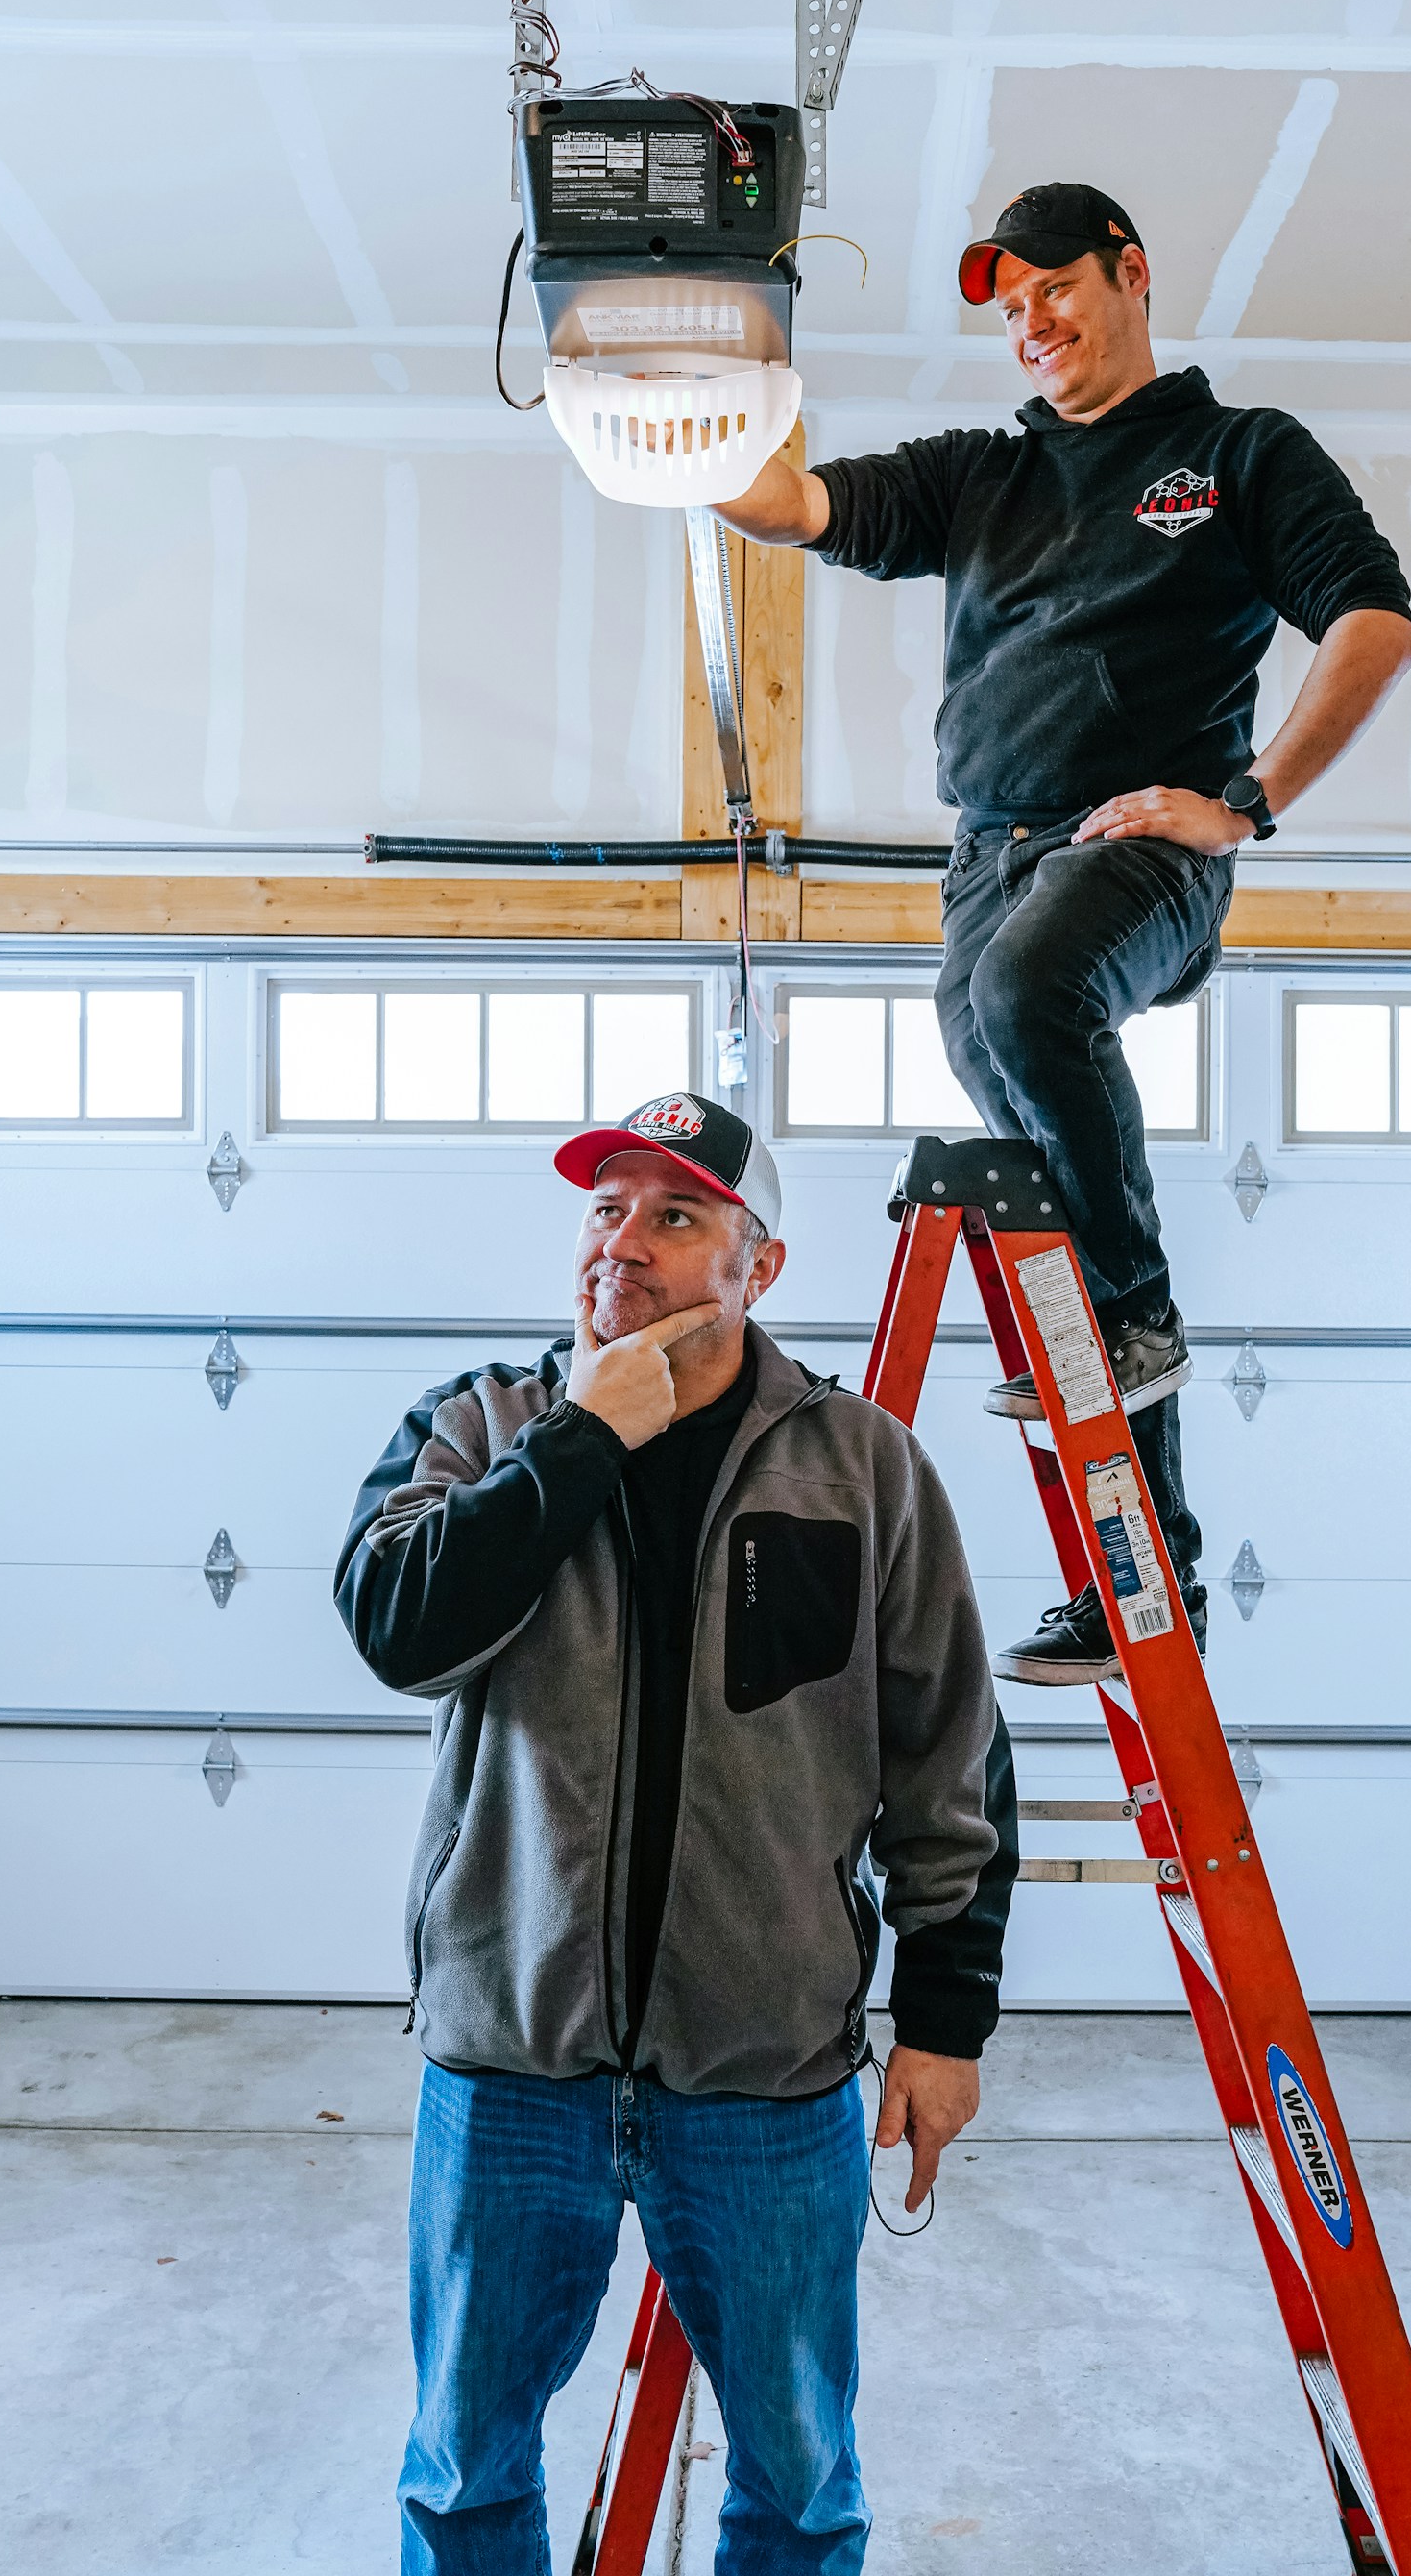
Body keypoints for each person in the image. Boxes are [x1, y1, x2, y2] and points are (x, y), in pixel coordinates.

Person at [718, 181, 1411, 1683]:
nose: (1031, 321)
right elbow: (787, 505)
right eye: (1008, 304)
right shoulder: (982, 474)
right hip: (988, 865)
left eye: (1054, 288)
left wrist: (1246, 802)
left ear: (1131, 274)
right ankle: (1140, 1574)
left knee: (1036, 1000)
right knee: (1006, 1075)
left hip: (1135, 850)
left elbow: (1374, 622)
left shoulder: (1236, 453)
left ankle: (1144, 1313)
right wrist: (704, 403)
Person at [334, 1089, 1016, 2576]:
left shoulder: (863, 1467)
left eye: (676, 1216)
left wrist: (944, 2025)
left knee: (798, 2482)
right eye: (606, 1207)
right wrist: (579, 1441)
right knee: (466, 2477)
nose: (624, 1245)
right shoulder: (485, 1425)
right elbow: (395, 1628)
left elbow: (948, 1759)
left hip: (764, 2085)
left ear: (756, 1267)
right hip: (511, 2077)